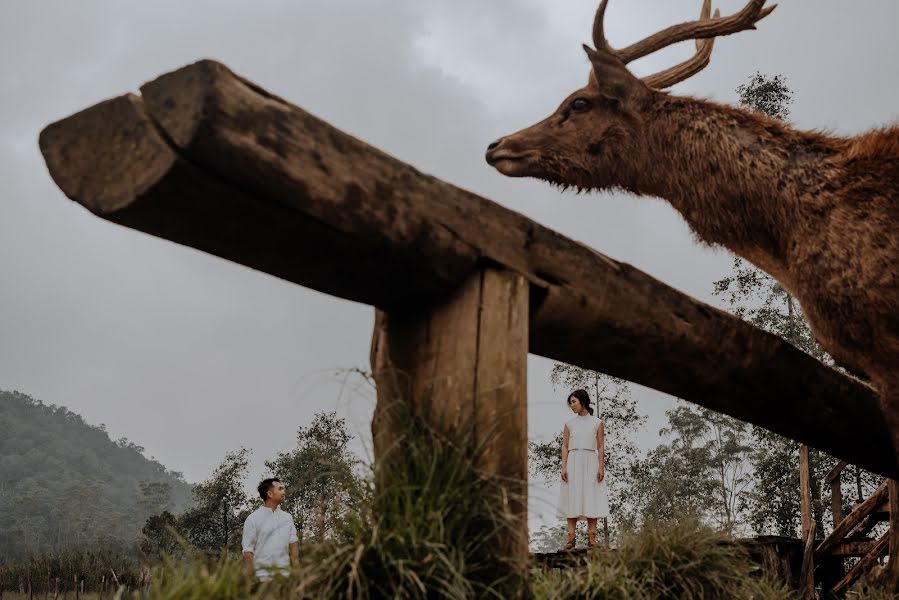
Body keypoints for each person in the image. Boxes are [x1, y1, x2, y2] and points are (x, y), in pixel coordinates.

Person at [557, 389, 609, 549]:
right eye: (570, 403)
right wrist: (563, 466)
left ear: (582, 401)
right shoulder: (569, 424)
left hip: (591, 461)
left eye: (574, 402)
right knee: (572, 496)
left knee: (591, 496)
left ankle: (592, 539)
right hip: (573, 462)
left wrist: (601, 466)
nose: (572, 406)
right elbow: (565, 446)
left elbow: (600, 446)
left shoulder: (597, 423)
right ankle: (570, 539)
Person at [242, 478, 298, 581]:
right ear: (270, 494)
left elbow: (293, 547)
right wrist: (252, 579)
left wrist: (297, 575)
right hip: (262, 580)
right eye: (280, 489)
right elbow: (247, 552)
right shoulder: (253, 519)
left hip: (285, 579)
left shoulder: (288, 518)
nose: (283, 492)